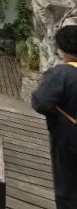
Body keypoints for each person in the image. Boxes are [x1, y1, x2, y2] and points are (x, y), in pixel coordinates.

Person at [32, 24, 77, 209]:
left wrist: (57, 114)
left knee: (67, 186)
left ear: (62, 49)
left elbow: (40, 101)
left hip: (69, 140)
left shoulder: (62, 74)